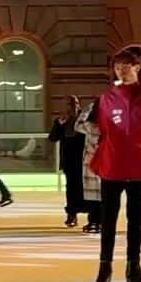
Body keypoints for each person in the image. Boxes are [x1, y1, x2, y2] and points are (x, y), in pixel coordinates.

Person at [92, 49, 141, 282]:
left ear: (137, 68)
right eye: (117, 66)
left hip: (137, 165)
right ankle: (105, 266)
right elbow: (103, 127)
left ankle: (134, 266)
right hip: (112, 165)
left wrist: (138, 144)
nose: (121, 70)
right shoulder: (106, 98)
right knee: (108, 220)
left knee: (135, 220)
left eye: (126, 66)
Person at [48, 96, 85, 227]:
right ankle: (72, 214)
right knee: (71, 188)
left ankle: (93, 216)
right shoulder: (62, 120)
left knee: (85, 188)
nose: (71, 107)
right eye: (68, 104)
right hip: (69, 160)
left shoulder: (84, 118)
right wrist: (59, 124)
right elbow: (52, 138)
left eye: (73, 104)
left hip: (83, 160)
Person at [74, 100, 103, 233]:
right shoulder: (109, 126)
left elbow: (78, 125)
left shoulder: (90, 126)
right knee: (104, 195)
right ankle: (102, 222)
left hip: (90, 161)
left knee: (92, 196)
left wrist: (86, 110)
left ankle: (93, 221)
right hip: (105, 162)